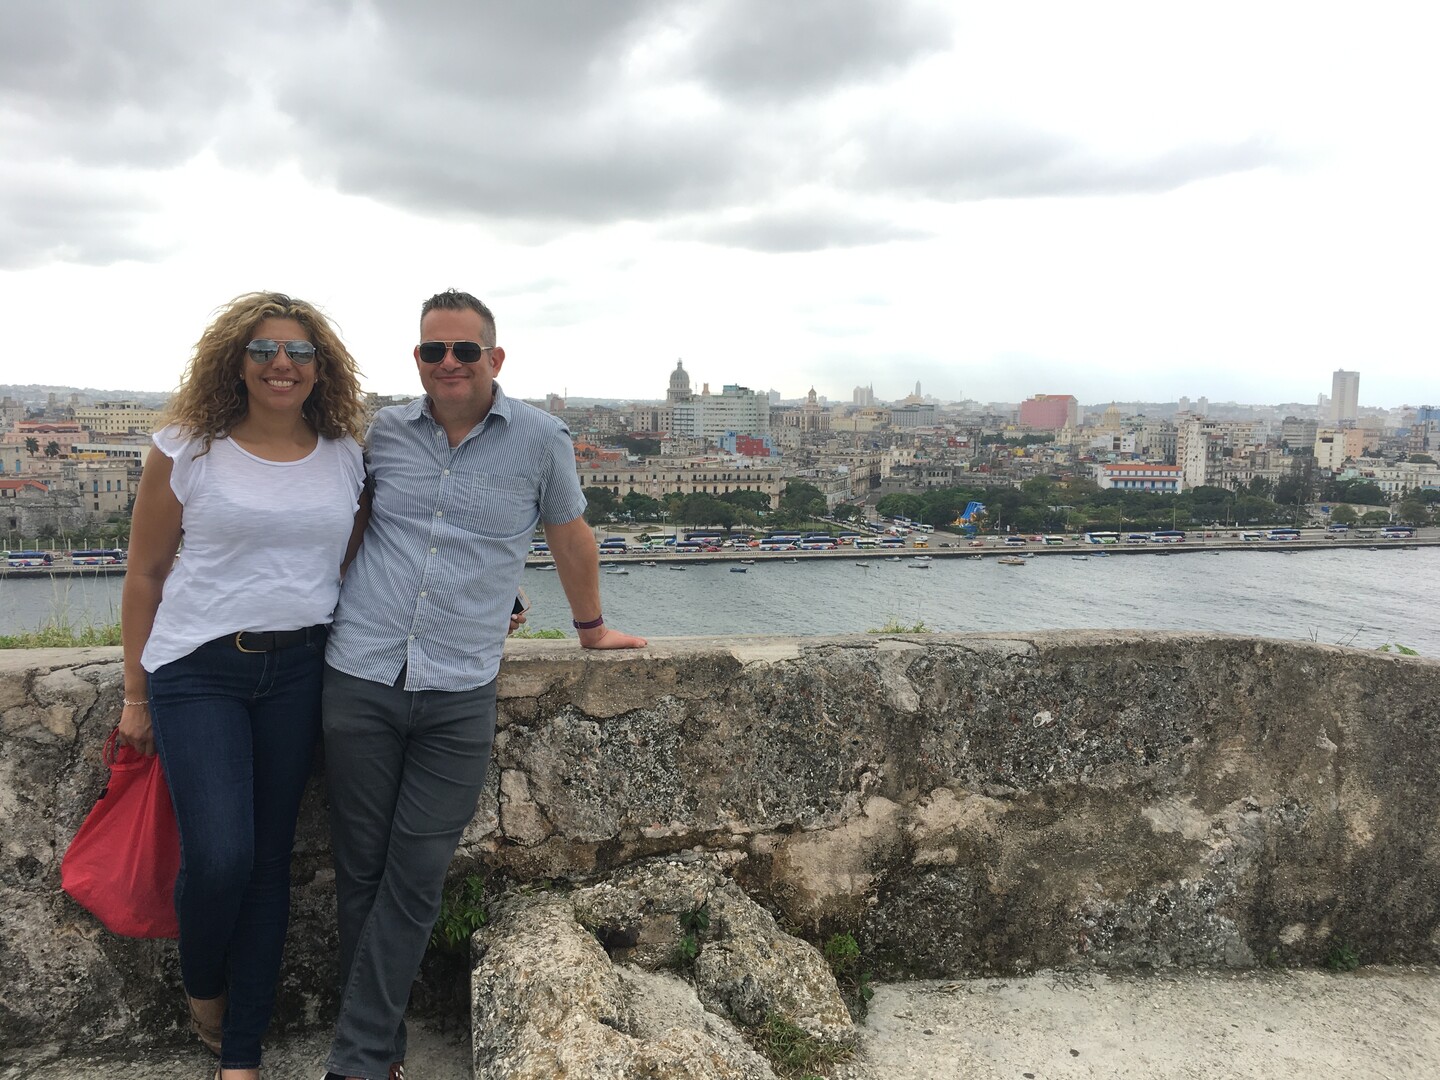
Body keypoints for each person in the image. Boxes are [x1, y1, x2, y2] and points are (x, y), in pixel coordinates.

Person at [320, 289, 645, 1080]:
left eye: (465, 350)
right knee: (361, 868)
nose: (450, 364)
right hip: (362, 666)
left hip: (459, 683)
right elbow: (348, 527)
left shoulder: (540, 439)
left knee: (416, 873)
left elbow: (569, 534)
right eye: (435, 351)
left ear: (495, 359)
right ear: (418, 361)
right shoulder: (383, 432)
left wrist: (591, 626)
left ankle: (358, 1058)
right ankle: (376, 1053)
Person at [117, 292, 368, 1080]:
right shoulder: (189, 448)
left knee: (268, 863)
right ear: (236, 361)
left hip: (299, 667)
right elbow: (146, 570)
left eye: (298, 352)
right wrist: (133, 693)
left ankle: (241, 1053)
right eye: (263, 350)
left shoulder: (344, 453)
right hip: (198, 668)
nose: (281, 365)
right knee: (220, 856)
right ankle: (203, 993)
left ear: (320, 367)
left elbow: (366, 556)